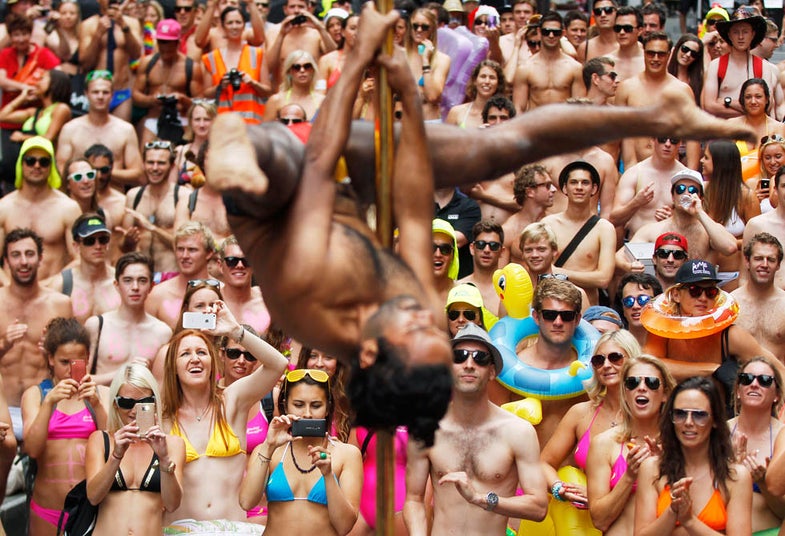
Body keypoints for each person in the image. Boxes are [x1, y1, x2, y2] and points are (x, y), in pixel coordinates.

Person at [206, 4, 755, 434]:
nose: (429, 319)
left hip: (276, 201)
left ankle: (224, 140)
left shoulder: (310, 299)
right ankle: (656, 114)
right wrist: (399, 83)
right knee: (498, 149)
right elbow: (415, 183)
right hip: (334, 189)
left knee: (273, 160)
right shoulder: (415, 304)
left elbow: (320, 167)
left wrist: (361, 52)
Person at [404, 324, 548, 534]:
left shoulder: (518, 431)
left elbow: (539, 507)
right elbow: (413, 500)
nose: (469, 364)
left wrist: (482, 499)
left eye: (479, 358)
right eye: (459, 356)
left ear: (492, 371)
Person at [162, 313, 289, 530]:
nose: (195, 358)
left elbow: (278, 364)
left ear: (213, 362)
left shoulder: (232, 400)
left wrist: (235, 331)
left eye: (202, 352)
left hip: (233, 528)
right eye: (185, 353)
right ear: (173, 366)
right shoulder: (164, 418)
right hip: (180, 530)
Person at [239, 368, 363, 535]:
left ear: (328, 408)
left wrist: (328, 475)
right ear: (285, 406)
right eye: (298, 405)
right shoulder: (268, 449)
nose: (307, 414)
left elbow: (344, 526)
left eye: (316, 405)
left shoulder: (346, 454)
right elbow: (246, 502)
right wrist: (269, 446)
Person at [21, 317, 109, 536]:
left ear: (87, 358)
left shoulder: (101, 395)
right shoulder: (36, 395)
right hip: (46, 508)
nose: (71, 370)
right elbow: (32, 449)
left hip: (89, 508)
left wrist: (97, 405)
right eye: (64, 362)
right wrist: (49, 403)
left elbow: (114, 445)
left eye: (77, 362)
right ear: (50, 358)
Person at [541, 330, 641, 518]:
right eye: (598, 360)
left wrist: (599, 498)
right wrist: (560, 489)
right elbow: (544, 463)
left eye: (615, 358)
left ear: (633, 361)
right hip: (584, 523)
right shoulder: (580, 413)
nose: (606, 365)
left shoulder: (648, 414)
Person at [634, 376, 752, 535]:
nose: (688, 422)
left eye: (699, 415)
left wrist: (689, 520)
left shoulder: (736, 476)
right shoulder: (652, 468)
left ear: (715, 420)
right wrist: (672, 511)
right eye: (680, 414)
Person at [85, 364, 186, 535]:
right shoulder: (100, 440)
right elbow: (93, 497)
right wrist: (116, 456)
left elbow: (172, 504)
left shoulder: (173, 444)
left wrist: (164, 460)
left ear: (154, 402)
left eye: (144, 403)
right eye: (126, 402)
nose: (133, 411)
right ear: (115, 404)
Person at [643, 259, 775, 383]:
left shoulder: (730, 335)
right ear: (677, 295)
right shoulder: (662, 328)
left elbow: (775, 369)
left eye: (710, 292)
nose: (703, 298)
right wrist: (713, 369)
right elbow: (649, 366)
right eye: (695, 291)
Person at [586, 354, 675, 535]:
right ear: (625, 393)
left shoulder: (679, 444)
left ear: (665, 393)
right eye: (632, 383)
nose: (641, 388)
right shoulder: (603, 443)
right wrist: (629, 475)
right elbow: (599, 520)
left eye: (651, 382)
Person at [0, 229, 72, 431]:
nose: (24, 261)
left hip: (44, 406)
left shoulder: (60, 304)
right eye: (16, 255)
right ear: (6, 261)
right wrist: (4, 345)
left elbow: (74, 362)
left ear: (41, 258)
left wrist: (50, 355)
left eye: (30, 254)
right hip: (3, 408)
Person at [0, 136, 81, 279]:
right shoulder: (4, 207)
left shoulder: (68, 208)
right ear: (21, 164)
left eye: (44, 162)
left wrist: (49, 288)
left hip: (54, 293)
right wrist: (9, 287)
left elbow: (79, 258)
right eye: (30, 161)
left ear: (51, 166)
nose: (37, 166)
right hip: (10, 294)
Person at [615, 32, 698, 170]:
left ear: (669, 54)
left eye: (661, 54)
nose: (655, 58)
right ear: (644, 53)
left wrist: (692, 174)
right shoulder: (627, 88)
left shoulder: (682, 90)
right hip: (633, 167)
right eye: (650, 53)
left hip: (670, 168)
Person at [541, 160, 616, 305]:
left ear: (594, 189)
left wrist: (558, 272)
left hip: (587, 308)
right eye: (574, 182)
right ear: (564, 187)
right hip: (552, 305)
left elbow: (604, 279)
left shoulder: (604, 228)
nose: (579, 187)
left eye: (585, 183)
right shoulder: (548, 224)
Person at [0, 13, 60, 187]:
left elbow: (57, 74)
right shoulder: (5, 54)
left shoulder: (42, 54)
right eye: (16, 35)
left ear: (31, 34)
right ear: (10, 37)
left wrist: (40, 90)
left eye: (24, 34)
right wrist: (25, 88)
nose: (20, 39)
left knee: (36, 163)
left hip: (35, 115)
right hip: (9, 117)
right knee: (9, 165)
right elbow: (2, 81)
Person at [626, 170, 738, 263]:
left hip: (698, 288)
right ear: (673, 197)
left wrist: (700, 213)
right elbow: (621, 257)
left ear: (701, 198)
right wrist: (630, 267)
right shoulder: (653, 229)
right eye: (680, 189)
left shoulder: (709, 232)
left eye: (693, 190)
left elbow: (730, 248)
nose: (686, 193)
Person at [727, 356, 785, 534]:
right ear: (738, 390)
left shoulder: (782, 438)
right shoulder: (718, 432)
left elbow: (783, 512)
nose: (754, 384)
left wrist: (763, 483)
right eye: (746, 379)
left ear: (777, 396)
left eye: (765, 381)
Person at [56, 70, 144, 188]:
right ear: (86, 94)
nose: (100, 96)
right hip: (79, 198)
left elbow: (137, 173)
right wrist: (87, 176)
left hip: (114, 197)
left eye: (105, 92)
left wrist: (104, 172)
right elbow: (61, 169)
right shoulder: (70, 129)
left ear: (112, 95)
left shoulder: (126, 130)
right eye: (95, 92)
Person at [123, 140, 191, 274]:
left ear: (172, 166)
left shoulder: (183, 196)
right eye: (150, 162)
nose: (154, 168)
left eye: (161, 163)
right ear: (143, 164)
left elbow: (186, 246)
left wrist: (152, 228)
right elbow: (124, 248)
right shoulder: (133, 196)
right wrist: (128, 240)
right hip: (142, 276)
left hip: (172, 273)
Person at [132, 19, 203, 146]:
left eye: (168, 43)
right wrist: (151, 100)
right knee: (146, 157)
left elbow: (201, 102)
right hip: (154, 118)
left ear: (177, 43)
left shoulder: (191, 67)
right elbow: (136, 94)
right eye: (161, 42)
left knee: (185, 159)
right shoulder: (148, 63)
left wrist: (183, 99)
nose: (164, 46)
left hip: (182, 120)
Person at [703, 11, 783, 120]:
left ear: (753, 34)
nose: (741, 37)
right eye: (736, 32)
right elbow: (709, 105)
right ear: (729, 35)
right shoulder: (716, 66)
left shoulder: (763, 66)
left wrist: (727, 101)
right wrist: (749, 110)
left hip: (752, 132)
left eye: (745, 32)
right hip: (724, 132)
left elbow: (766, 106)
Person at [702, 139, 761, 282]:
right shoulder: (701, 190)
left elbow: (758, 240)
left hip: (734, 275)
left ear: (720, 163)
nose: (701, 160)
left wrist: (729, 242)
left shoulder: (746, 196)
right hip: (702, 275)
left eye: (706, 157)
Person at [45, 213, 120, 324]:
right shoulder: (60, 285)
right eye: (89, 241)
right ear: (76, 246)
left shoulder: (120, 281)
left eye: (103, 240)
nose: (98, 246)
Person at [201, 7, 269, 126]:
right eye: (230, 23)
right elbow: (206, 93)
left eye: (238, 22)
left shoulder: (257, 54)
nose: (234, 26)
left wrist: (253, 83)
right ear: (222, 26)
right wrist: (220, 86)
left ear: (244, 25)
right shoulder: (211, 58)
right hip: (223, 123)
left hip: (251, 125)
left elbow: (267, 90)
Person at [78, 0, 142, 121]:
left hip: (121, 91)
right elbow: (85, 63)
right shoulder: (88, 25)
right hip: (97, 91)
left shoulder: (131, 23)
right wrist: (98, 34)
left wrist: (123, 25)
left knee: (120, 133)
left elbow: (136, 54)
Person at [145, 222, 215, 329]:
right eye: (180, 249)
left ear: (209, 253)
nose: (185, 256)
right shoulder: (157, 295)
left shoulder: (222, 292)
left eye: (192, 250)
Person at [513, 11, 583, 112]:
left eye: (556, 32)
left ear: (562, 33)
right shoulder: (525, 68)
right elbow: (518, 108)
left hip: (564, 124)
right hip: (536, 125)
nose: (551, 35)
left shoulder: (574, 68)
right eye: (546, 31)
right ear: (539, 32)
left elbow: (579, 108)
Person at [731, 233, 785, 361]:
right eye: (758, 258)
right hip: (741, 379)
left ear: (778, 265)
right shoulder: (731, 304)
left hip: (779, 378)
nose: (764, 264)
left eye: (771, 259)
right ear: (747, 261)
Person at [726, 79, 785, 176]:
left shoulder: (779, 128)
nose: (753, 101)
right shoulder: (731, 125)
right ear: (742, 100)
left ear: (766, 99)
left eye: (758, 97)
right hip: (736, 185)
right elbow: (722, 162)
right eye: (748, 97)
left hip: (770, 185)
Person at [500, 165, 555, 266]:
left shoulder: (556, 223)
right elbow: (500, 276)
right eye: (547, 185)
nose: (554, 189)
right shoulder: (509, 230)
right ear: (530, 192)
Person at [0, 68, 71, 145]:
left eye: (42, 79)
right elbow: (2, 117)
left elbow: (49, 137)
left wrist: (23, 137)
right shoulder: (34, 112)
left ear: (54, 83)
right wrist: (21, 98)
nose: (36, 83)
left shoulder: (61, 109)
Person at [216, 236, 270, 333]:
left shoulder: (267, 301)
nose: (240, 265)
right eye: (232, 260)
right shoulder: (211, 300)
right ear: (220, 266)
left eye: (246, 260)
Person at [404, 7, 450, 121]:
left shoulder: (442, 59)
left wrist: (425, 61)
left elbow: (433, 96)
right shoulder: (400, 56)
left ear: (432, 30)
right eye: (415, 26)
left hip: (429, 124)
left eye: (424, 27)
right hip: (403, 124)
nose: (419, 30)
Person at [263, 50, 324, 123]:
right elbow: (265, 131)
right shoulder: (276, 100)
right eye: (296, 67)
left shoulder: (322, 101)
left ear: (313, 70)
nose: (302, 70)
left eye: (307, 66)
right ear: (289, 71)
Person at [458, 221, 504, 316]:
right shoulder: (458, 287)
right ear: (472, 248)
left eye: (493, 246)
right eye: (481, 244)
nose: (487, 250)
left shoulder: (509, 289)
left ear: (502, 251)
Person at [445, 60, 505, 129]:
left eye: (492, 78)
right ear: (474, 81)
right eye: (483, 76)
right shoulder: (456, 112)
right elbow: (446, 139)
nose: (487, 81)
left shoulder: (503, 115)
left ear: (498, 84)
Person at [172, 100, 215, 186]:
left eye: (206, 119)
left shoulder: (222, 152)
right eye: (197, 119)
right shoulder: (180, 152)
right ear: (191, 122)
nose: (201, 124)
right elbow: (171, 188)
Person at [614, 273, 663, 348]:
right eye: (628, 301)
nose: (635, 306)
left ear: (658, 303)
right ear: (623, 309)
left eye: (643, 299)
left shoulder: (671, 344)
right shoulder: (615, 346)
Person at [316, 12, 357, 93]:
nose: (357, 32)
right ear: (343, 32)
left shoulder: (371, 61)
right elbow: (319, 95)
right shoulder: (326, 60)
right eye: (353, 28)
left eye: (361, 29)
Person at [607, 6, 644, 83]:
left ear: (640, 31)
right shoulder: (606, 62)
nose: (622, 32)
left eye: (628, 28)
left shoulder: (649, 61)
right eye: (618, 28)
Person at [667, 34, 704, 106]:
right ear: (677, 48)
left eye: (693, 53)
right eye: (685, 49)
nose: (688, 54)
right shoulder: (664, 72)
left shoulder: (699, 81)